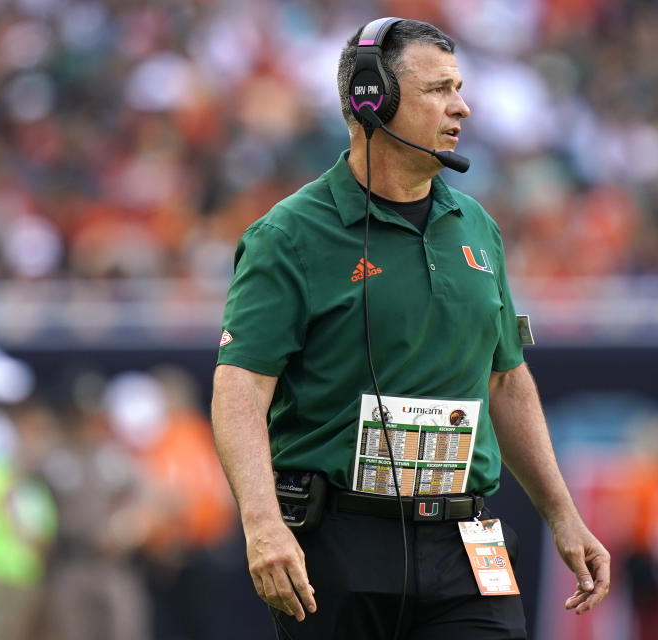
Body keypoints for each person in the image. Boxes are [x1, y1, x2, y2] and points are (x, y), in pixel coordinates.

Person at [211, 17, 609, 639]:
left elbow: (507, 381)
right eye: (439, 89)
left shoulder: (477, 226)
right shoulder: (287, 236)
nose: (463, 106)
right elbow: (240, 390)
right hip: (339, 539)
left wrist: (563, 515)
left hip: (468, 539)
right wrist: (263, 524)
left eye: (460, 87)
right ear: (373, 101)